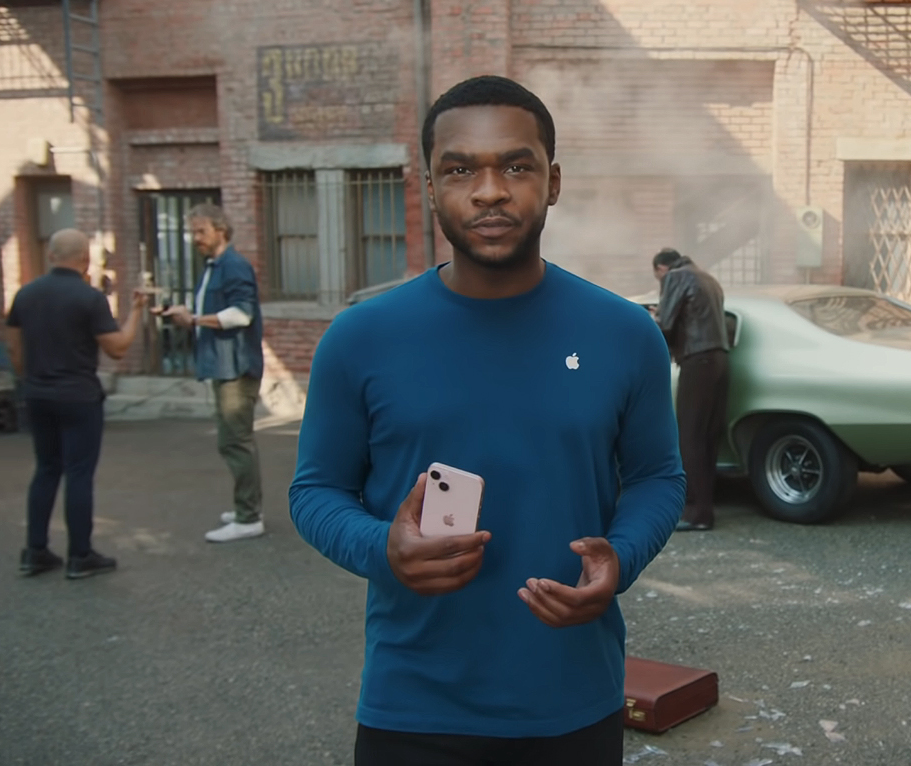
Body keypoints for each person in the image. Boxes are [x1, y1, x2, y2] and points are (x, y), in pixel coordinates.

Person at [288, 75, 686, 765]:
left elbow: (659, 477)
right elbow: (315, 490)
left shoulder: (625, 333)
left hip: (574, 704)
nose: (490, 190)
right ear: (429, 186)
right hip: (412, 710)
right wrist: (382, 547)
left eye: (517, 166)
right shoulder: (360, 338)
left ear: (553, 182)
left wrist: (621, 558)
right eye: (460, 169)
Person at [4, 229, 146, 579]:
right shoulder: (89, 298)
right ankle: (80, 555)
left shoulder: (25, 295)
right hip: (79, 397)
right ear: (85, 259)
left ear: (51, 255)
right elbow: (117, 348)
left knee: (46, 469)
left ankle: (34, 551)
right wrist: (136, 312)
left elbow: (14, 349)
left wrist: (30, 380)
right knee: (78, 473)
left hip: (38, 395)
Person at [156, 204, 266, 542]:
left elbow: (242, 314)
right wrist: (187, 314)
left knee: (235, 441)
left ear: (221, 230)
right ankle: (247, 508)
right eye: (192, 232)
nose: (195, 238)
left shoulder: (233, 266)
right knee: (234, 440)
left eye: (201, 231)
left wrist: (193, 319)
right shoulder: (214, 266)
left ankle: (248, 517)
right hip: (224, 364)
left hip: (235, 366)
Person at [652, 247, 730, 532]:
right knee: (707, 438)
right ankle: (705, 509)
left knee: (690, 437)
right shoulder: (708, 278)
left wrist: (652, 318)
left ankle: (696, 514)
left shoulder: (675, 277)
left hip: (697, 361)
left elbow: (665, 325)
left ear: (662, 269)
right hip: (720, 360)